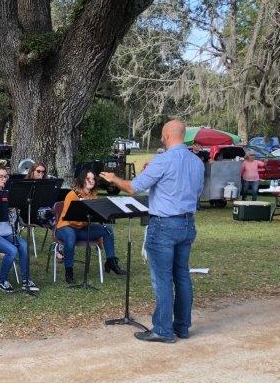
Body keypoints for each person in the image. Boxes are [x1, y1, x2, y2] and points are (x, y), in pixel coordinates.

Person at [101, 119, 204, 343]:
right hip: (187, 222)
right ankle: (182, 327)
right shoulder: (197, 162)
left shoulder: (163, 160)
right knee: (182, 275)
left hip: (164, 224)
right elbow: (195, 192)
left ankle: (163, 330)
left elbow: (132, 187)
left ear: (167, 135)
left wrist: (113, 178)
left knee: (163, 278)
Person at [55, 169, 124, 285]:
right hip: (66, 227)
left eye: (93, 179)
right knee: (71, 237)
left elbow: (93, 217)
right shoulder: (72, 195)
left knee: (108, 229)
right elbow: (70, 219)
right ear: (82, 180)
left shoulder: (93, 195)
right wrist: (85, 214)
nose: (91, 181)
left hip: (81, 229)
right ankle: (69, 272)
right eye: (88, 179)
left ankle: (111, 262)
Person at [0, 164, 36, 292]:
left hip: (6, 232)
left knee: (24, 246)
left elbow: (13, 220)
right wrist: (3, 208)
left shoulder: (7, 193)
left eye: (6, 176)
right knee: (12, 250)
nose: (4, 179)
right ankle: (1, 280)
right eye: (1, 177)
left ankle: (26, 279)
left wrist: (13, 210)